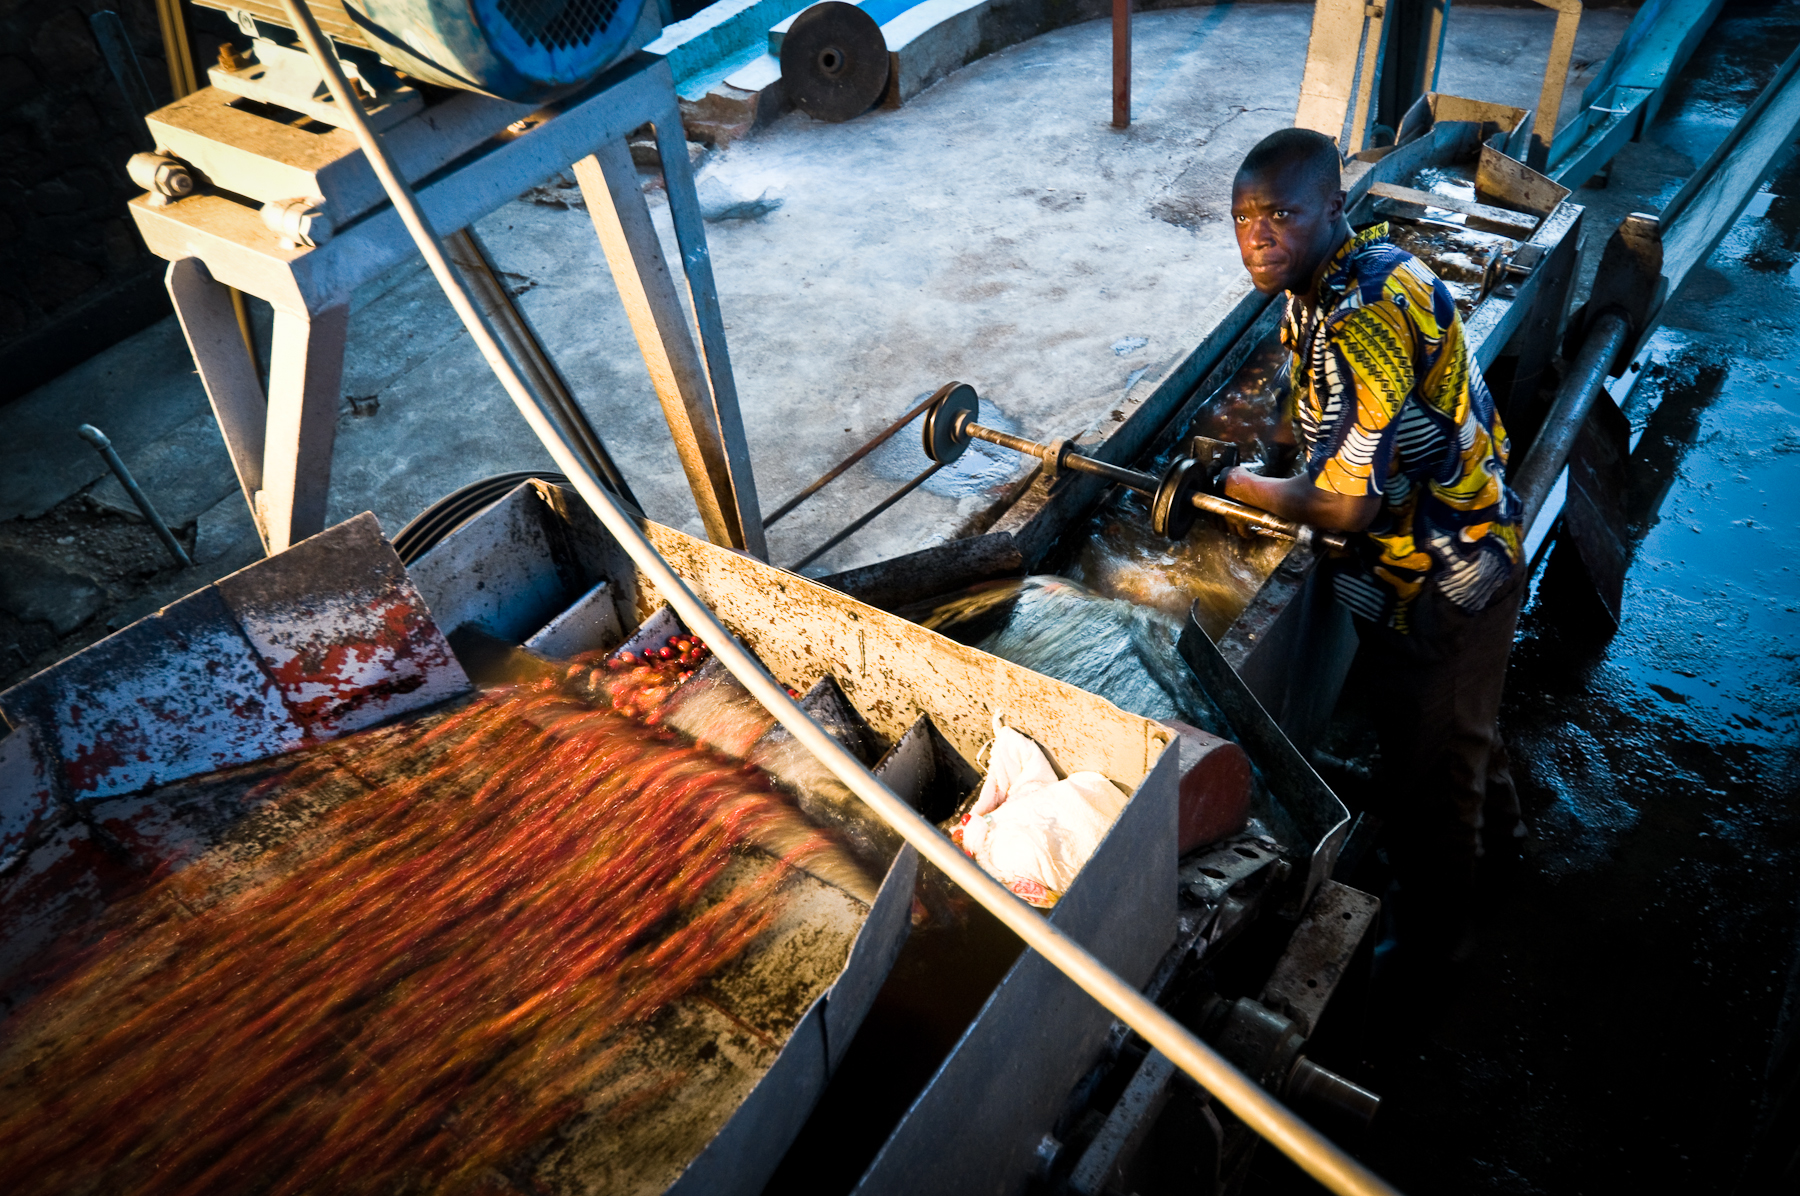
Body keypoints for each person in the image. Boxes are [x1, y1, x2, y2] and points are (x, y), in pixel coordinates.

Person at [1219, 126, 1528, 965]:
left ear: (1333, 205)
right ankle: (1509, 862)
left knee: (1430, 782)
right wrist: (1272, 454)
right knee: (1466, 734)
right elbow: (1314, 407)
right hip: (1455, 552)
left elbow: (1346, 505)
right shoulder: (1341, 276)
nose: (1258, 235)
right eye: (1243, 217)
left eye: (1281, 213)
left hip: (1441, 581)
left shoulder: (1363, 317)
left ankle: (1438, 951)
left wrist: (1237, 485)